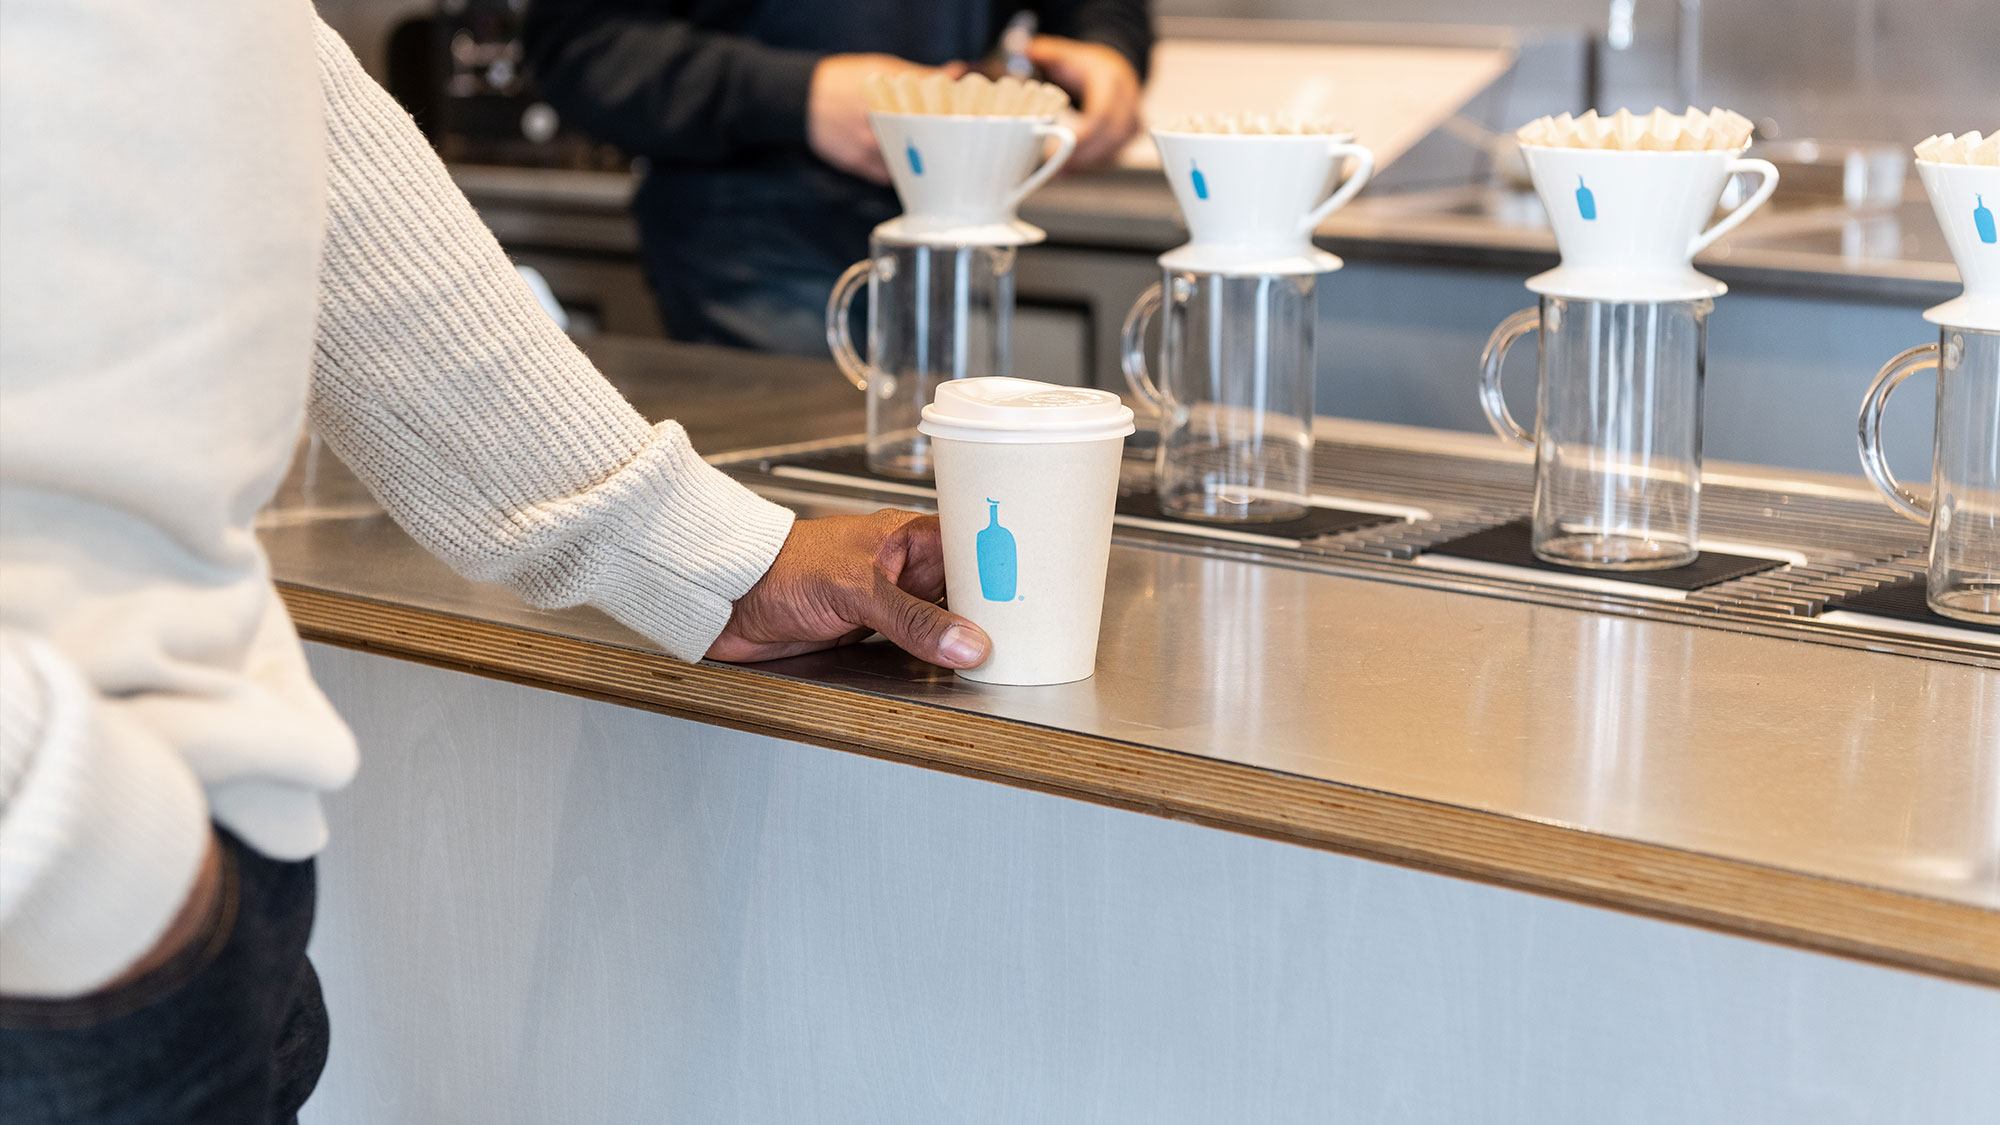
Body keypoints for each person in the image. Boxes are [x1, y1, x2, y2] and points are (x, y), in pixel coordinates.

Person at [0, 5, 990, 1121]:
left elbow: (271, 81)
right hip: (58, 882)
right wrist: (72, 829)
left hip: (160, 864)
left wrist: (695, 553)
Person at [523, 0, 1153, 354]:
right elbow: (580, 46)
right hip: (753, 235)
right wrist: (798, 95)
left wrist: (1108, 50)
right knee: (814, 535)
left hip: (952, 226)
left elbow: (1102, 10)